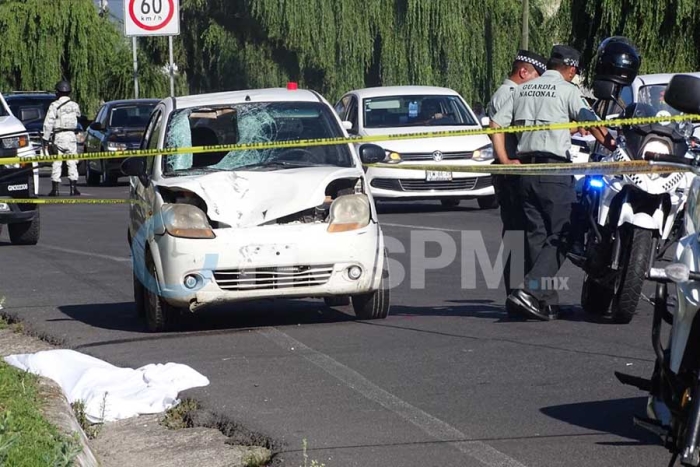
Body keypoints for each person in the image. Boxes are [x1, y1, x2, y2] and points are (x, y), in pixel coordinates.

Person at [491, 45, 617, 321]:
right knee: (566, 233)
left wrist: (504, 160)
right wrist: (612, 144)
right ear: (571, 69)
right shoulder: (568, 90)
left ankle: (542, 301)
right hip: (554, 172)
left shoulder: (521, 90)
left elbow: (495, 125)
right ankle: (529, 290)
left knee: (537, 234)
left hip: (524, 172)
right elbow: (591, 122)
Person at [486, 50, 547, 315]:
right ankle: (519, 294)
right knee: (519, 234)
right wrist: (505, 160)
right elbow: (496, 128)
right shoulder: (509, 94)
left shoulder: (509, 92)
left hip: (512, 171)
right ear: (524, 72)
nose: (536, 84)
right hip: (510, 172)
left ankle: (519, 293)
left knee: (520, 234)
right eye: (535, 77)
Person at [43, 80, 82, 196]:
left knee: (57, 162)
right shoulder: (75, 105)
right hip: (71, 136)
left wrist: (45, 138)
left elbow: (48, 122)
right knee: (72, 162)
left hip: (59, 136)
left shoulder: (54, 105)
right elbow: (79, 115)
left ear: (58, 92)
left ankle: (55, 189)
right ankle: (73, 188)